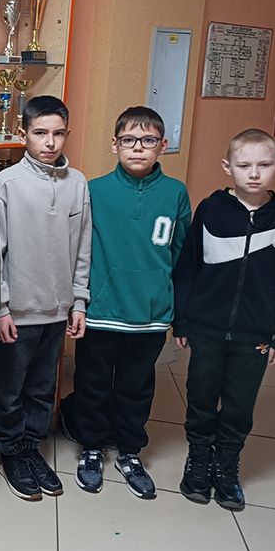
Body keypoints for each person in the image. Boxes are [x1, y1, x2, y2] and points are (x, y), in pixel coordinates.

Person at [59, 106, 191, 500]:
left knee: (137, 386)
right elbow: (78, 249)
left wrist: (175, 307)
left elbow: (181, 255)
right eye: (129, 140)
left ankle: (130, 451)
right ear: (114, 145)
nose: (138, 148)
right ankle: (92, 446)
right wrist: (77, 301)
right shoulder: (94, 190)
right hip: (101, 312)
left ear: (162, 146)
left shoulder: (175, 192)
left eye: (148, 140)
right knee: (92, 383)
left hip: (149, 315)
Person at [173, 129, 275, 511]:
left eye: (264, 165)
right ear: (227, 167)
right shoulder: (211, 211)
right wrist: (182, 320)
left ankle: (227, 465)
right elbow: (188, 269)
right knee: (201, 395)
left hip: (256, 334)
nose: (253, 173)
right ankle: (199, 459)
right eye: (244, 165)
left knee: (239, 403)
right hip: (207, 328)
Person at [0, 95, 91, 501]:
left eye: (58, 134)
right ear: (23, 134)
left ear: (68, 134)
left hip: (58, 310)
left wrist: (78, 301)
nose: (50, 142)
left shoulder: (78, 184)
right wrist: (0, 308)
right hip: (17, 312)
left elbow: (82, 248)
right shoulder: (6, 184)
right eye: (40, 133)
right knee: (10, 389)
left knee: (42, 387)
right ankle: (11, 453)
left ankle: (31, 448)